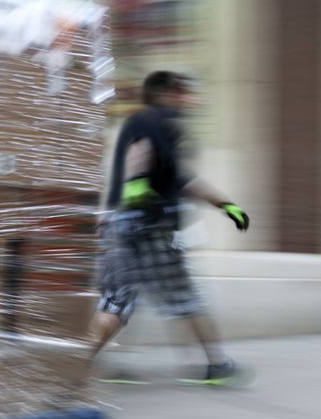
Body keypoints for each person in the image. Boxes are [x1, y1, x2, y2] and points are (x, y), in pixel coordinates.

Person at [90, 71, 251, 386]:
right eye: (180, 94)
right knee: (187, 296)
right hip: (150, 228)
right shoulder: (156, 122)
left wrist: (224, 205)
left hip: (121, 224)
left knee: (116, 302)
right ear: (162, 94)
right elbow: (143, 158)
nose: (186, 100)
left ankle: (77, 362)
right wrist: (140, 197)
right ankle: (217, 365)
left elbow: (180, 180)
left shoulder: (140, 123)